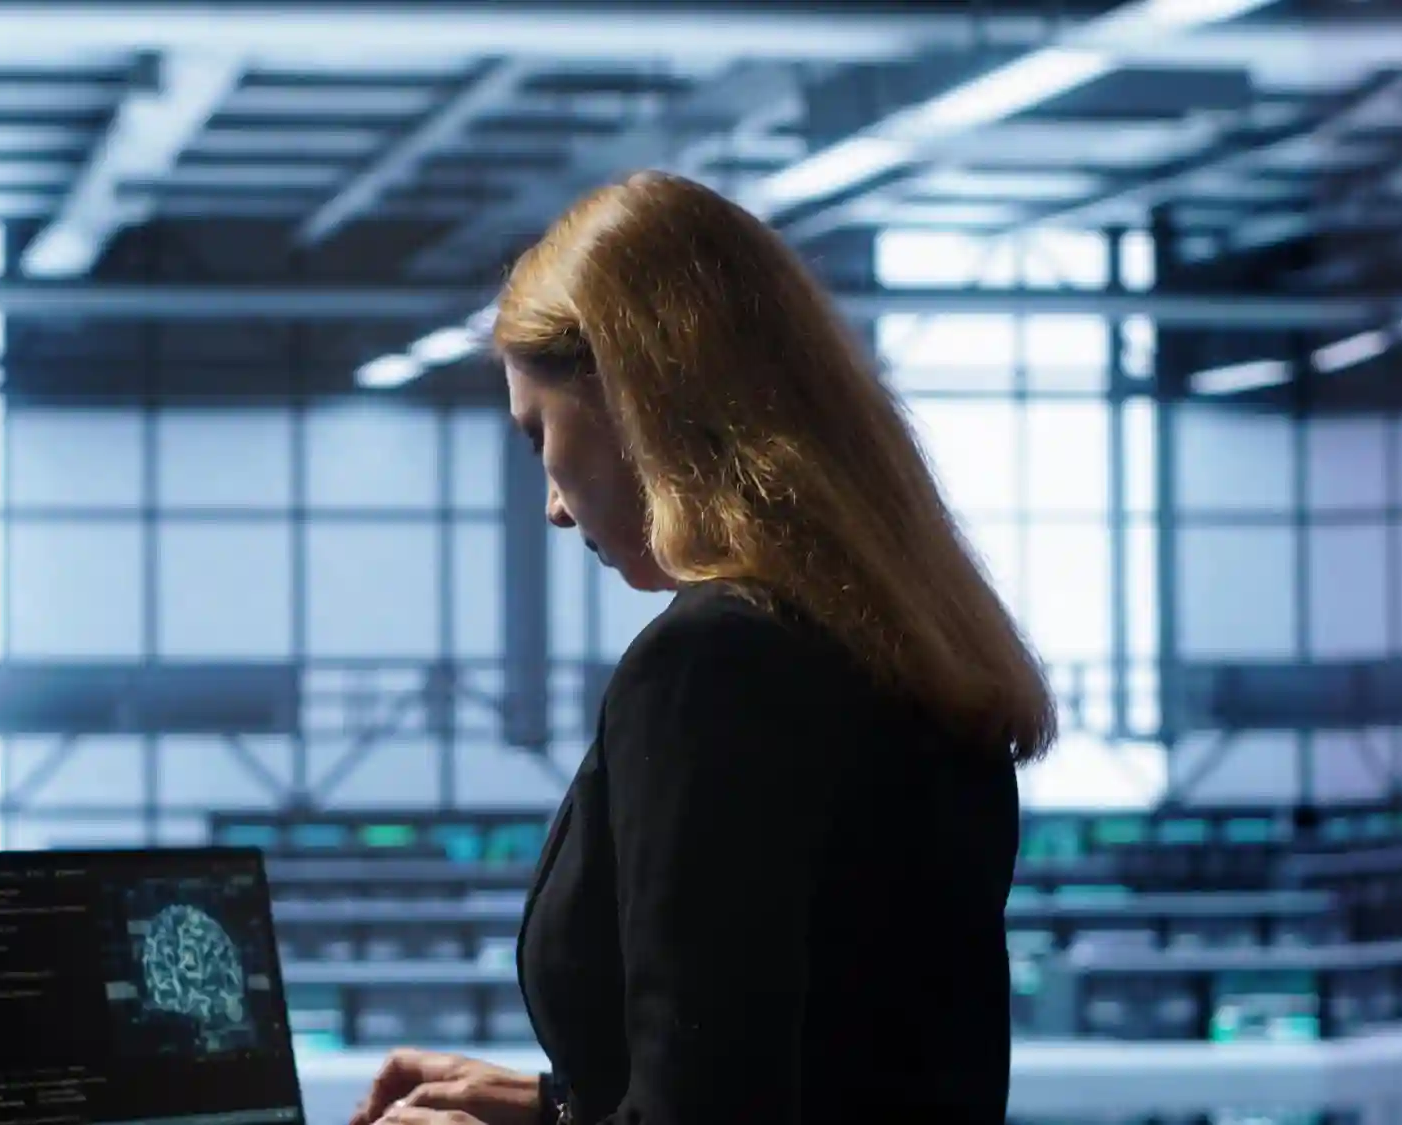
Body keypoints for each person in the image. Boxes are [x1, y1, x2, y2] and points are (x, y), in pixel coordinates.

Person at [349, 171, 1053, 1125]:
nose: (554, 506)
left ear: (634, 401)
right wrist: (563, 1106)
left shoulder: (712, 669)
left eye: (536, 434)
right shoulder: (909, 648)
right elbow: (837, 1062)